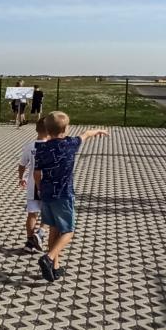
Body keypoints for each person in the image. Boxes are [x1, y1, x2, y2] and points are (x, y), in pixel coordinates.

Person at [34, 112, 109, 282]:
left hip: (47, 194)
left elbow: (36, 174)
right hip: (64, 195)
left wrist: (39, 189)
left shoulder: (41, 148)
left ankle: (55, 267)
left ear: (47, 130)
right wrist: (98, 131)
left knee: (53, 229)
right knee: (68, 231)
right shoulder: (70, 144)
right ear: (66, 129)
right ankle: (48, 258)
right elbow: (85, 134)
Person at [17, 117, 50, 252]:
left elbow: (22, 165)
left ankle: (30, 242)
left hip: (33, 185)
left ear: (36, 129)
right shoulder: (52, 147)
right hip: (47, 185)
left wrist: (21, 178)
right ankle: (40, 233)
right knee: (48, 213)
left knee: (32, 214)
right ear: (50, 131)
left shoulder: (30, 146)